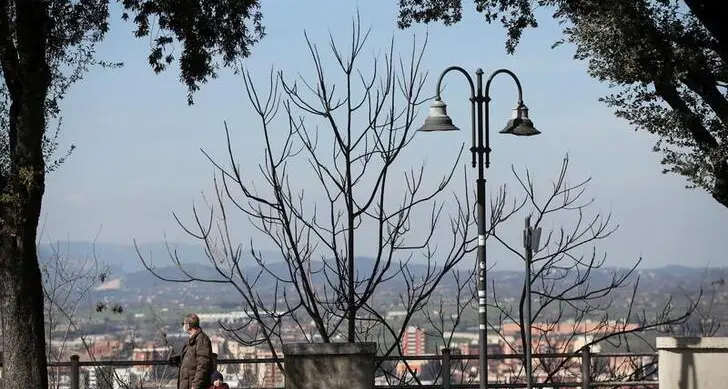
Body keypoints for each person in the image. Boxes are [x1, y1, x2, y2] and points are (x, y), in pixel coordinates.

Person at [170, 313, 214, 389]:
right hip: (187, 384)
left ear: (188, 325)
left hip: (193, 385)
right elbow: (192, 361)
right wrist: (179, 360)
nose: (183, 326)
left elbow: (203, 365)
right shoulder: (193, 340)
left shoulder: (201, 340)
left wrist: (196, 385)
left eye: (183, 324)